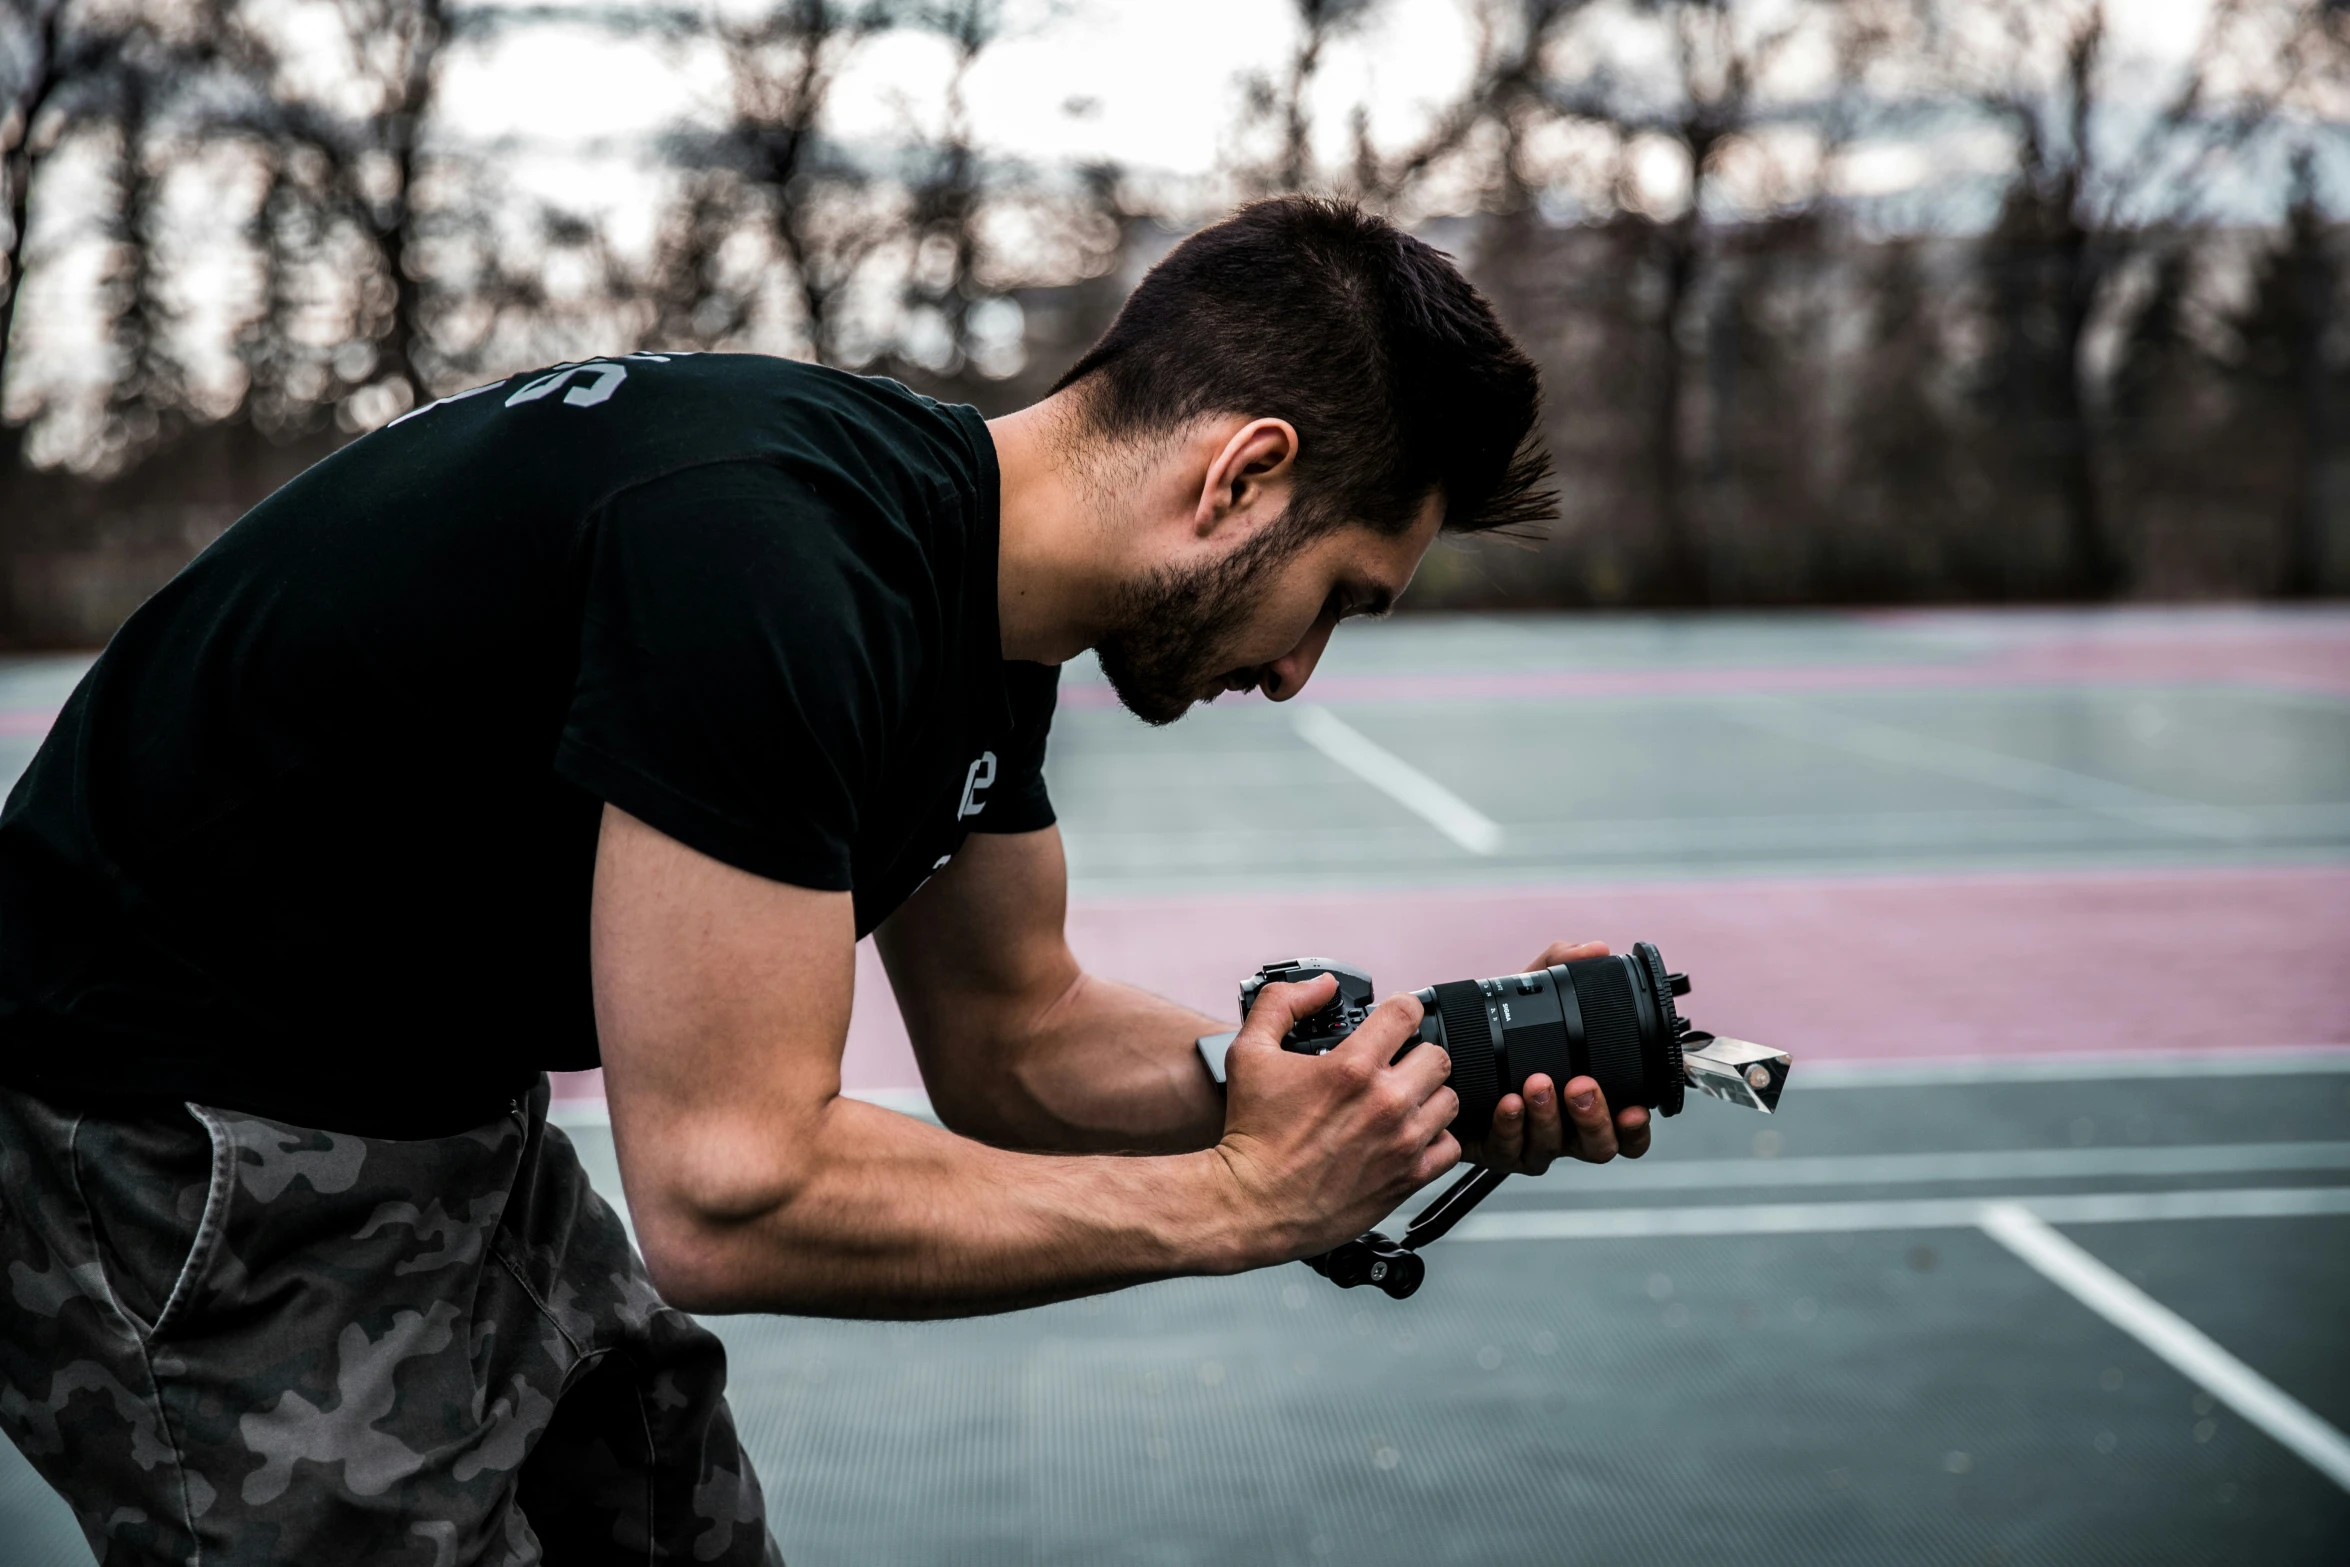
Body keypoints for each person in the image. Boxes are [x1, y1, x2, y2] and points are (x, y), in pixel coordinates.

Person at [0, 197, 1651, 1565]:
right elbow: (733, 1189)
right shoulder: (771, 567)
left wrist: (1399, 1078)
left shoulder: (962, 598)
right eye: (1335, 595)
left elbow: (1017, 1029)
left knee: (676, 1523)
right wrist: (1239, 1204)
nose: (1298, 669)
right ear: (1239, 477)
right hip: (160, 1138)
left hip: (429, 1109)